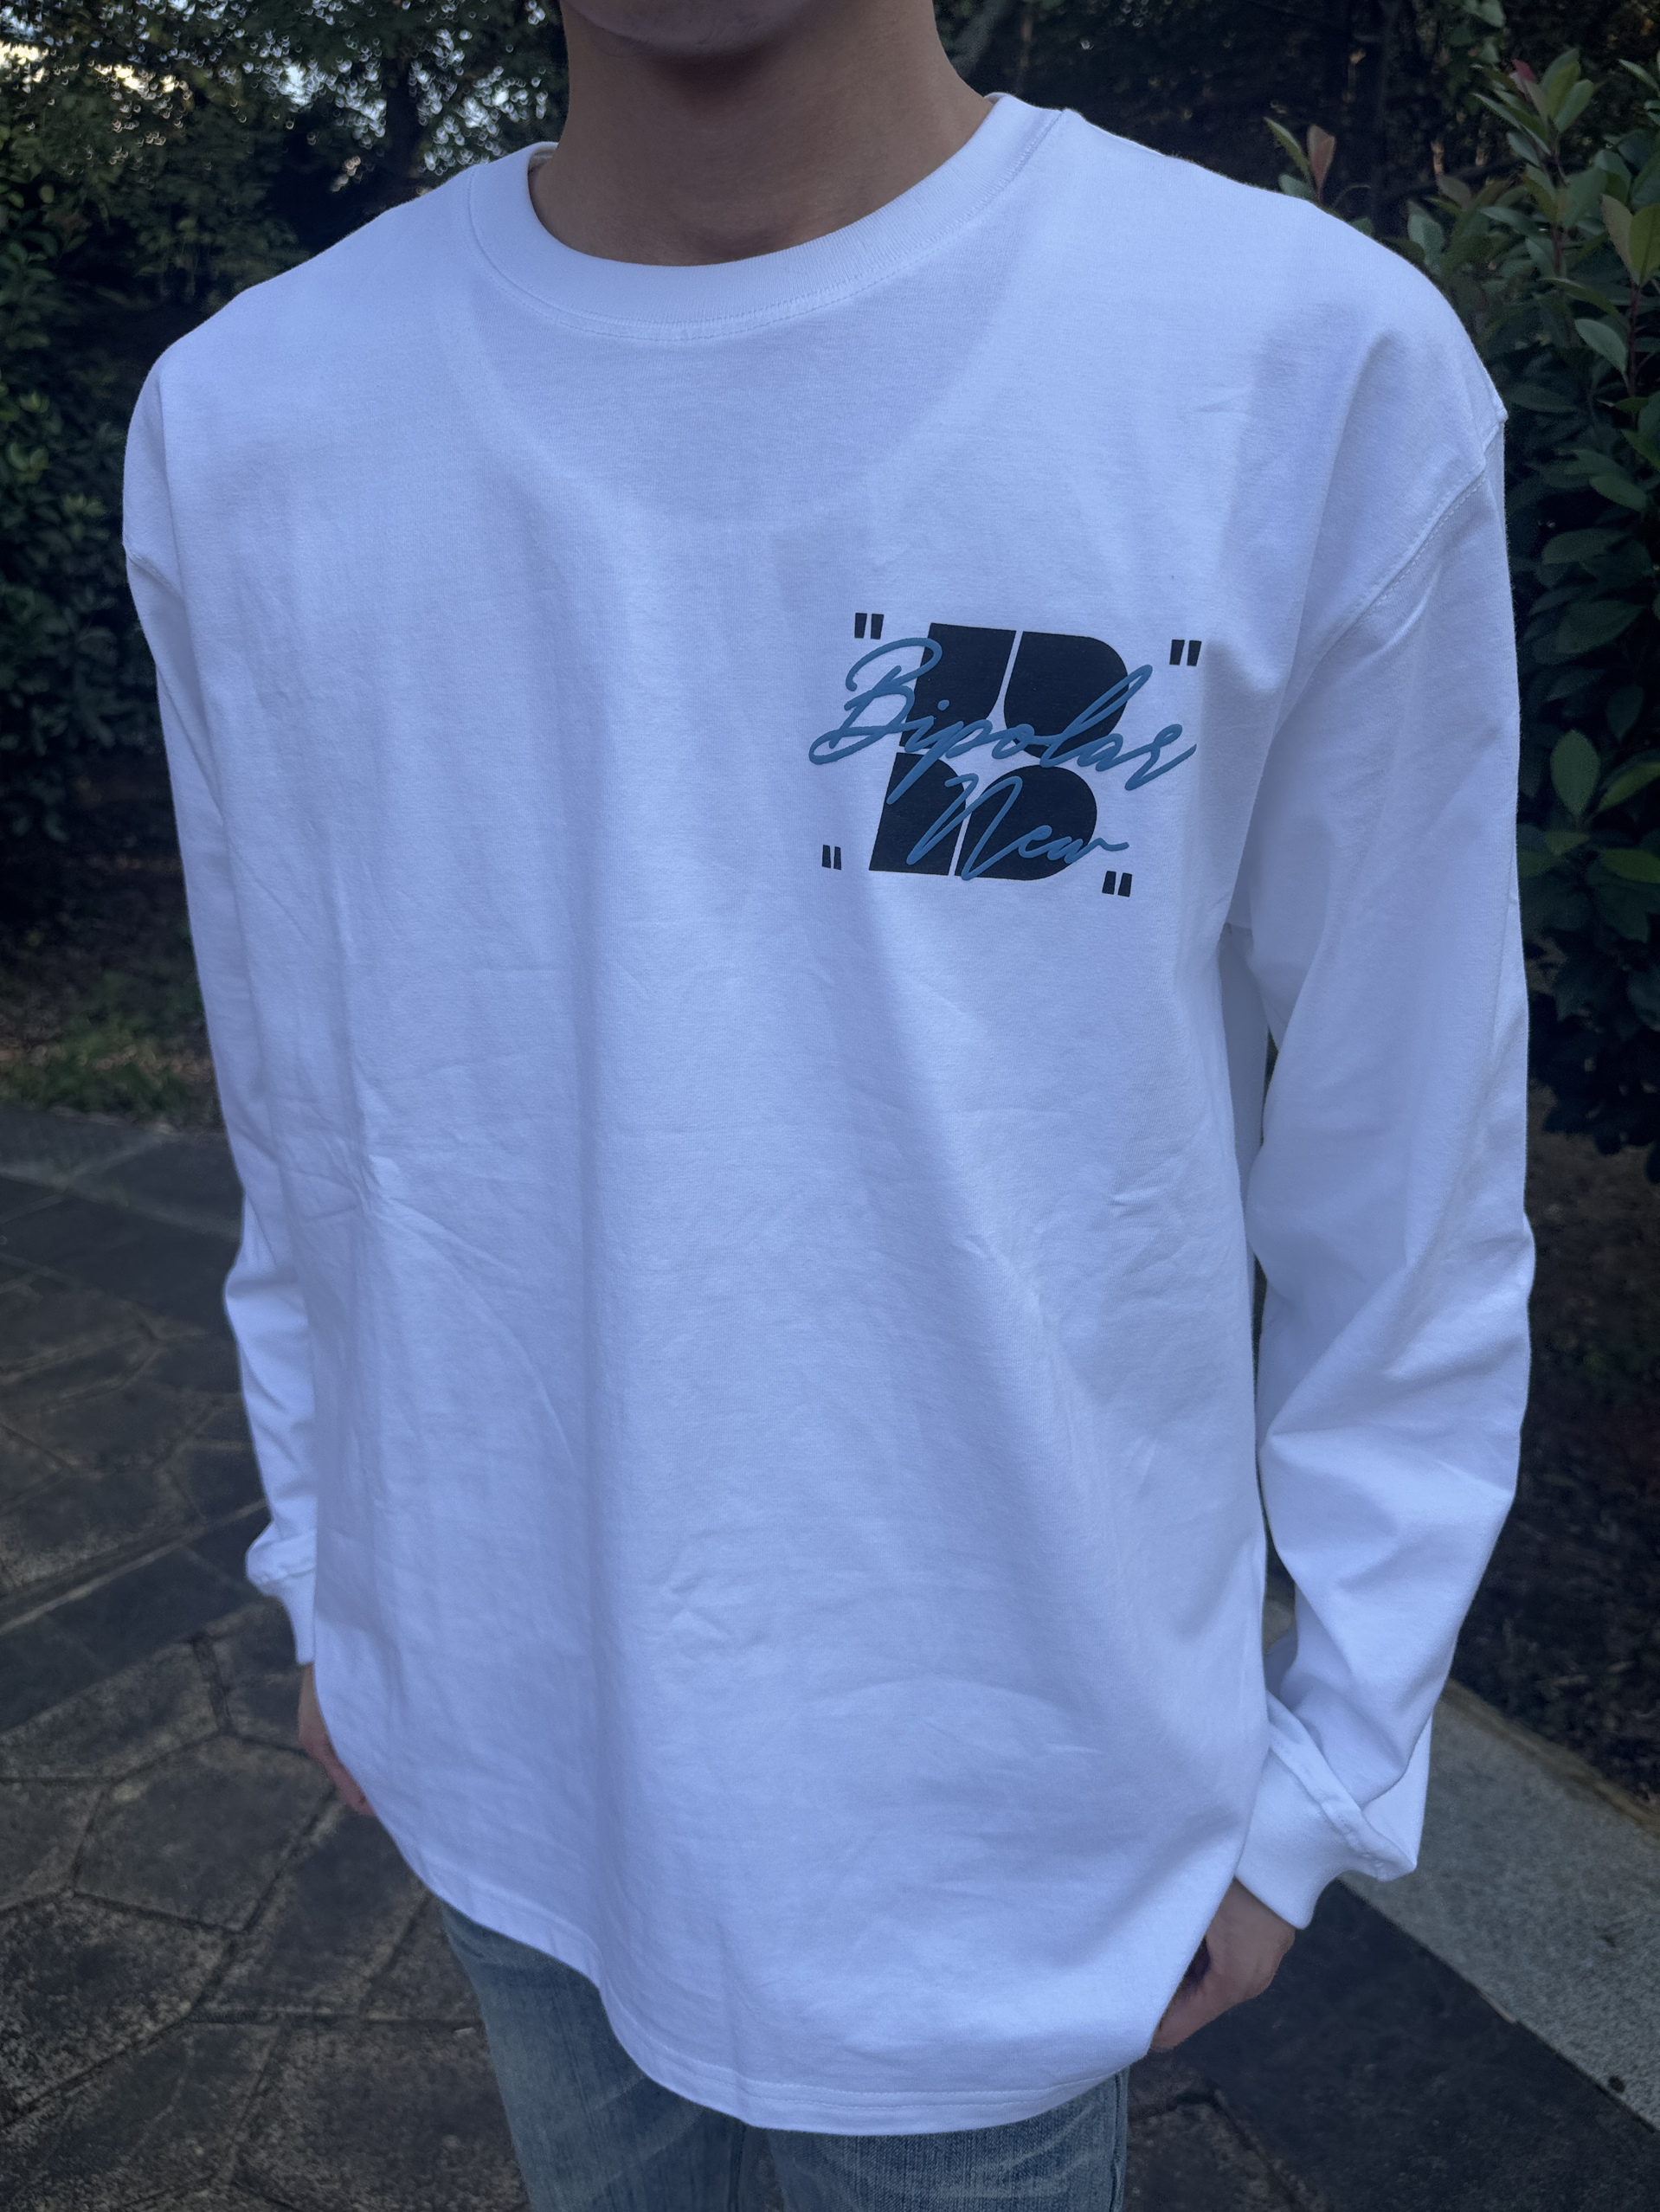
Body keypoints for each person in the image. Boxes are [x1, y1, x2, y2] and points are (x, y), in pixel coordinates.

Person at [123, 0, 1533, 2203]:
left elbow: (1405, 1169)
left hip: (1006, 1850)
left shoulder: (1294, 371)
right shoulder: (249, 424)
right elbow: (311, 1116)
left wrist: (1330, 1767)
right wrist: (338, 1579)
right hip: (501, 1768)